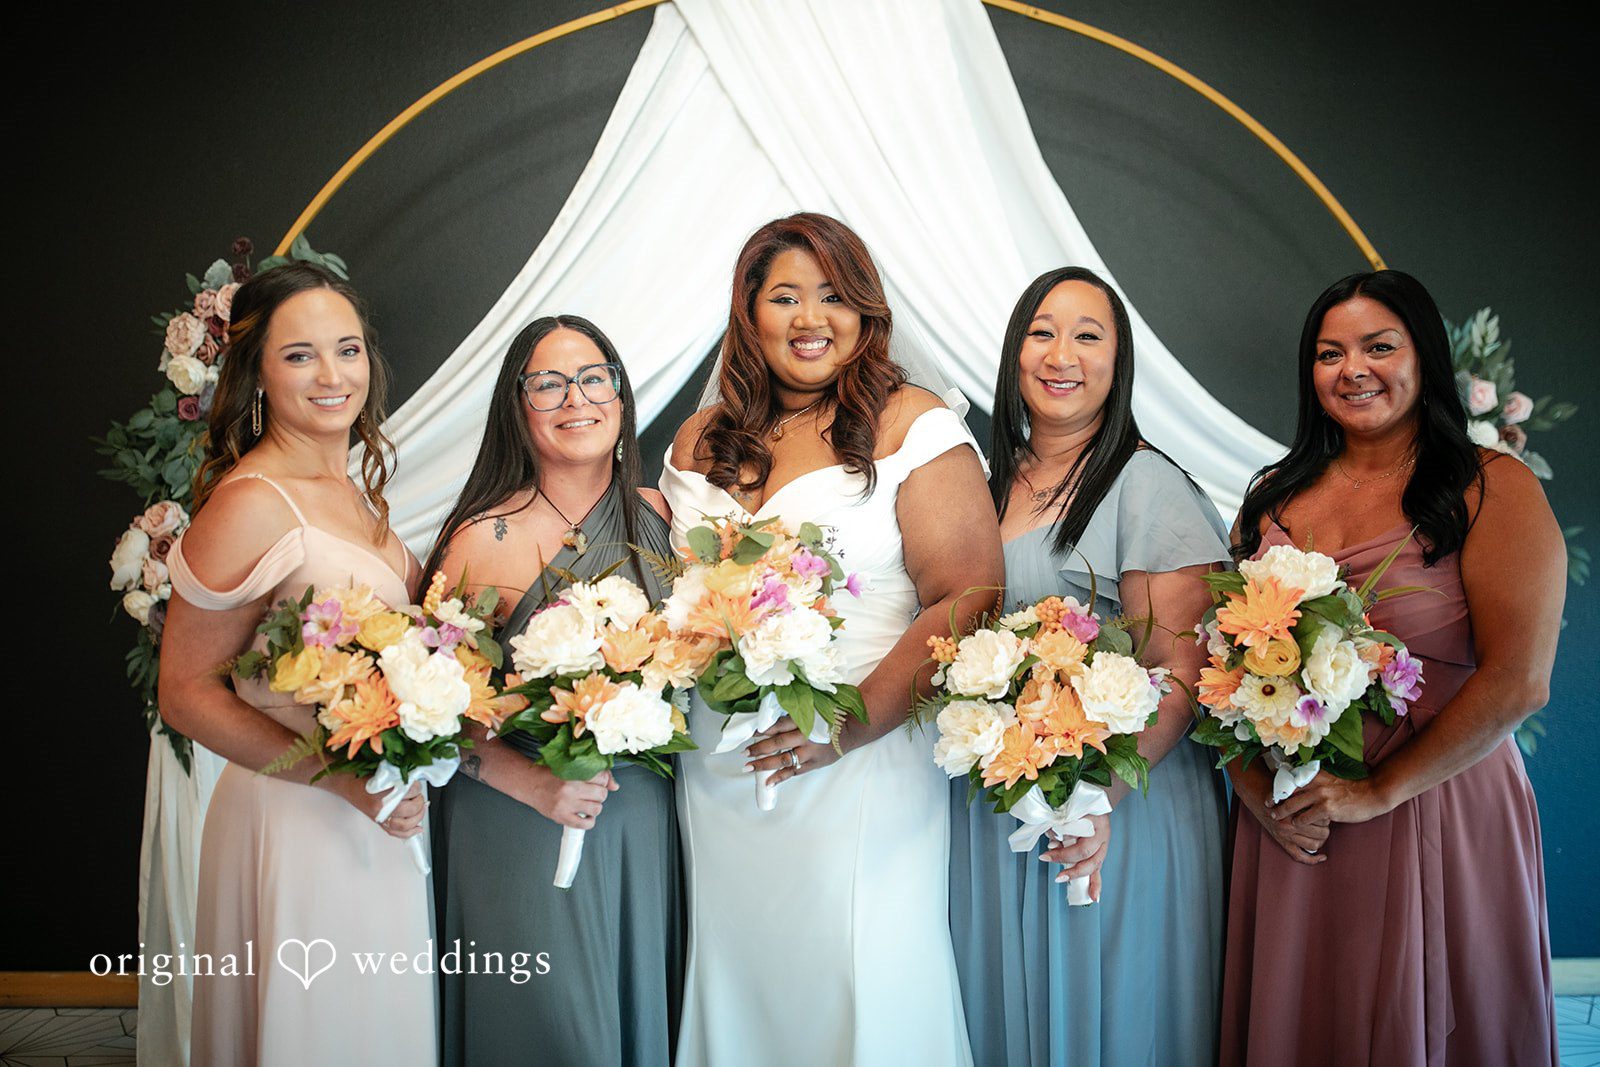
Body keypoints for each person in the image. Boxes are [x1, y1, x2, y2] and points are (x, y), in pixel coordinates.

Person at [660, 212, 1002, 1065]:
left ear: (865, 313)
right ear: (750, 313)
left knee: (866, 975)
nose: (811, 318)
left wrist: (841, 724)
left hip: (861, 754)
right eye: (785, 296)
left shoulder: (911, 424)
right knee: (740, 983)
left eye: (833, 296)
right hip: (724, 769)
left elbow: (969, 595)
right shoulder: (701, 442)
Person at [1221, 269, 1563, 1066]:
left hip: (1439, 799)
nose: (1353, 369)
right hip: (1299, 815)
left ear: (1425, 357)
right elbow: (1226, 665)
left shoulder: (1490, 488)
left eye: (1379, 346)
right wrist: (1257, 796)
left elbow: (1521, 679)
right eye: (1329, 352)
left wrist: (1378, 791)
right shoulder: (1273, 494)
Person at [949, 267, 1230, 1066]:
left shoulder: (1147, 485)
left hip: (1116, 807)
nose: (1060, 353)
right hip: (999, 807)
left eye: (1087, 334)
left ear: (1120, 359)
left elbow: (1179, 668)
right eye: (1041, 331)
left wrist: (1095, 795)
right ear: (1012, 354)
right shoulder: (985, 486)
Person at [158, 262, 435, 1065]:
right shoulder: (251, 502)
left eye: (347, 349)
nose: (332, 374)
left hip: (377, 813)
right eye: (299, 355)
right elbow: (183, 692)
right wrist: (340, 780)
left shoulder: (357, 496)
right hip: (298, 813)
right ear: (257, 374)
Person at [423, 315, 681, 1067]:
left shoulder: (663, 516)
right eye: (549, 382)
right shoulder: (481, 540)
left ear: (622, 395)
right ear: (518, 404)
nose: (578, 398)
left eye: (595, 376)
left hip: (640, 817)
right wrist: (534, 783)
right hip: (519, 817)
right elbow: (433, 710)